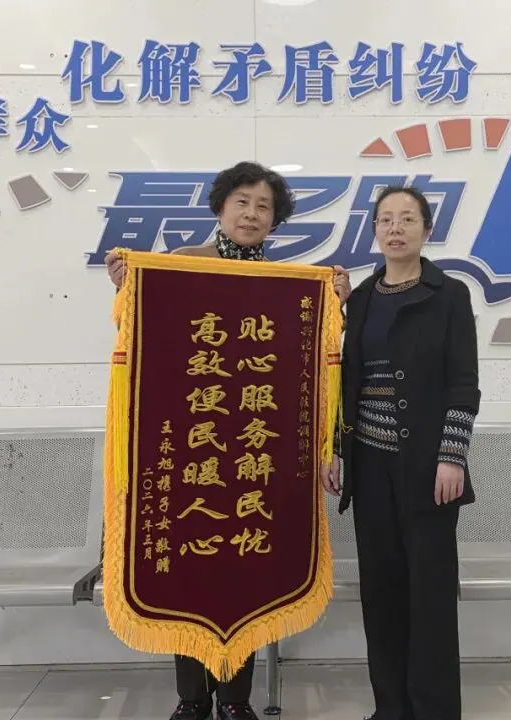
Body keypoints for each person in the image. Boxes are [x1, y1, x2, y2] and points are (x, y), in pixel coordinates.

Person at [105, 161, 352, 720]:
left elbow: (306, 374)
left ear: (274, 220)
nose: (252, 214)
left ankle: (236, 701)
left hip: (252, 457)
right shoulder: (179, 266)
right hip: (190, 452)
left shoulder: (286, 286)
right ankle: (191, 700)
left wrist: (336, 301)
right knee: (186, 571)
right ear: (220, 207)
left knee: (247, 568)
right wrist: (129, 287)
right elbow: (149, 350)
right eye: (242, 202)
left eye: (264, 206)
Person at [321, 186, 480, 720]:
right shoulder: (362, 298)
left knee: (429, 597)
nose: (396, 228)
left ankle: (434, 710)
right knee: (382, 594)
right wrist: (336, 449)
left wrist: (452, 455)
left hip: (429, 469)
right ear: (374, 231)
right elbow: (347, 383)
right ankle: (390, 708)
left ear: (427, 230)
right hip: (370, 470)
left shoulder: (449, 294)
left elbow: (463, 383)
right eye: (386, 219)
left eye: (407, 219)